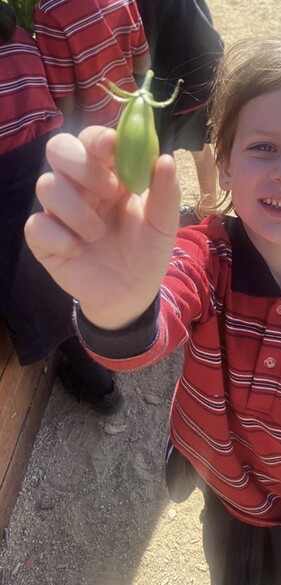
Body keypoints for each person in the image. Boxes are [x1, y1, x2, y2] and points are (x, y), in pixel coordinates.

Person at [25, 34, 281, 585]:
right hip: (224, 486)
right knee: (230, 581)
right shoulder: (206, 253)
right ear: (224, 163)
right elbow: (153, 324)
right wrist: (119, 307)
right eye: (263, 147)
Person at [0, 1, 123, 416]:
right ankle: (114, 349)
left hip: (12, 179)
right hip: (55, 162)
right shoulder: (18, 39)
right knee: (74, 265)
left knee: (35, 290)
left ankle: (102, 389)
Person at [136, 0, 224, 210]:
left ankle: (169, 218)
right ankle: (208, 213)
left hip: (172, 81)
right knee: (200, 147)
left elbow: (142, 59)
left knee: (162, 154)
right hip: (205, 67)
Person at [33, 0, 150, 131]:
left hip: (92, 135)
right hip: (135, 119)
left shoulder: (49, 11)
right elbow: (143, 65)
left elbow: (66, 105)